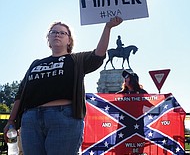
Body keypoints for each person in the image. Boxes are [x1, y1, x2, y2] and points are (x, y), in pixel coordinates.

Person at [3, 16, 123, 155]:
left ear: (69, 40)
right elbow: (20, 93)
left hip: (64, 118)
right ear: (48, 38)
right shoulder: (36, 63)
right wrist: (11, 120)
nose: (57, 34)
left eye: (62, 32)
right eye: (53, 32)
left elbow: (99, 55)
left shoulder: (77, 59)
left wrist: (107, 28)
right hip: (31, 120)